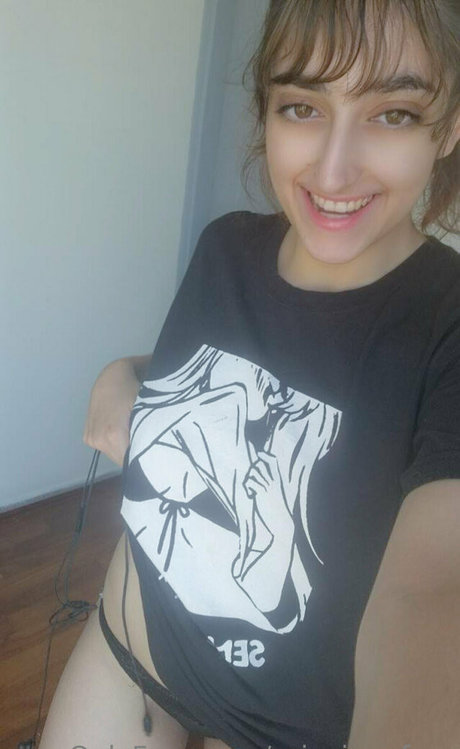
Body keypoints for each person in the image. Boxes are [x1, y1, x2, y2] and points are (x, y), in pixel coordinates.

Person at [38, 1, 460, 748]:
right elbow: (230, 371)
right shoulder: (226, 249)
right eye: (303, 106)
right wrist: (126, 372)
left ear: (450, 124)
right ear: (266, 109)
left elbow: (430, 591)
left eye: (393, 114)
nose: (333, 169)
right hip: (134, 647)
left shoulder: (447, 325)